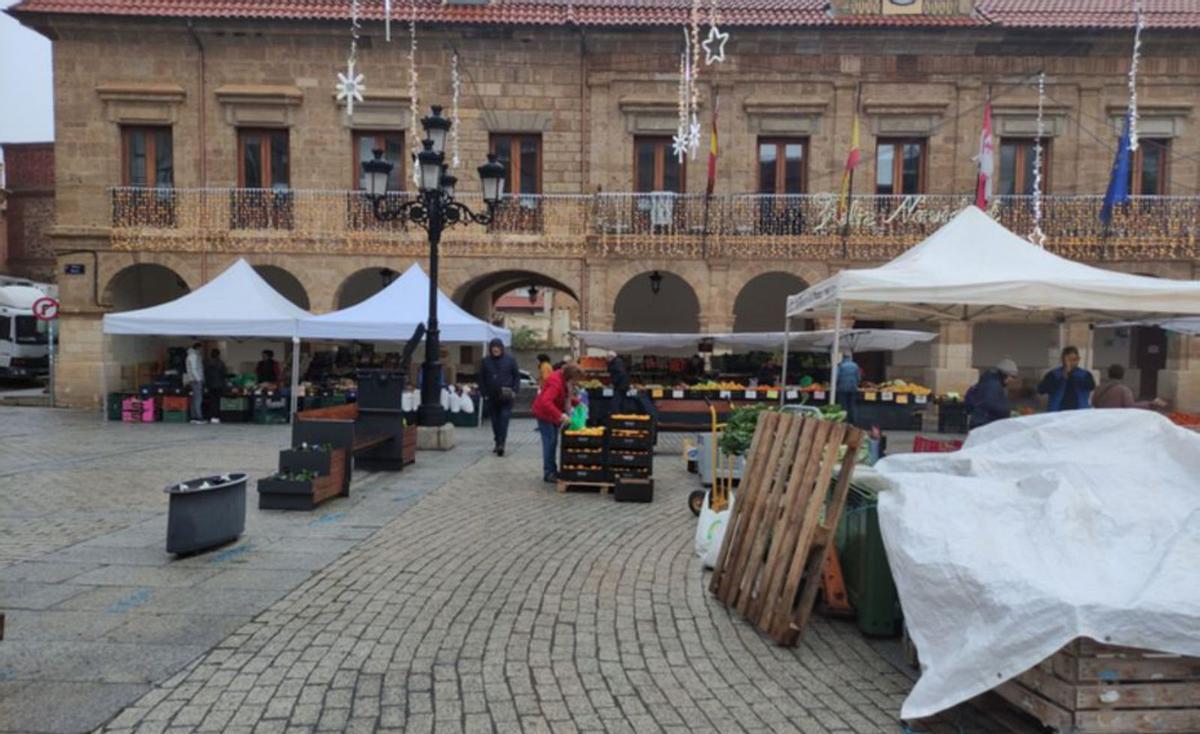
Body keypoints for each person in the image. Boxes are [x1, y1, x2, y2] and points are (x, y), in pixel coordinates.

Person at [532, 363, 583, 483]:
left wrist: (577, 403)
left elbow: (564, 396)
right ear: (570, 376)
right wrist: (560, 415)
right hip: (545, 414)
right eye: (575, 379)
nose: (576, 382)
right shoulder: (556, 382)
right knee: (550, 442)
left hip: (552, 414)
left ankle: (553, 470)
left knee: (553, 441)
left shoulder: (563, 380)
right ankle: (549, 473)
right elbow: (546, 401)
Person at [479, 338, 521, 456]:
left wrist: (515, 390)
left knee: (504, 420)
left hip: (506, 396)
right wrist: (484, 393)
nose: (495, 349)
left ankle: (501, 444)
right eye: (493, 347)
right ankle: (497, 441)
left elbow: (516, 376)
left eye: (497, 347)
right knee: (495, 422)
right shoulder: (485, 361)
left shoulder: (510, 360)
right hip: (492, 397)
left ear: (501, 348)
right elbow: (481, 378)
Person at [1037, 346, 1096, 412]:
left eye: (1074, 359)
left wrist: (1071, 374)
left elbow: (1091, 386)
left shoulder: (1084, 374)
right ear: (1063, 359)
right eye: (1068, 360)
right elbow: (1041, 390)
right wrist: (1062, 378)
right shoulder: (1053, 374)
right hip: (1057, 411)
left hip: (1079, 412)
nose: (1071, 362)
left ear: (1078, 359)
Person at [966, 358, 1019, 429]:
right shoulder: (993, 384)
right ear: (1005, 374)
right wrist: (1008, 411)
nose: (1013, 380)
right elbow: (991, 404)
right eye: (1013, 377)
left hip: (980, 421)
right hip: (984, 423)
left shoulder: (990, 380)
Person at [1092, 364, 1167, 410]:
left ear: (1108, 374)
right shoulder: (1123, 390)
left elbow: (1094, 403)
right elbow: (1130, 406)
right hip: (1116, 418)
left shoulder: (1099, 388)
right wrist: (1148, 404)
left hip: (1101, 417)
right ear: (1122, 375)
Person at [835, 353, 862, 425]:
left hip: (842, 388)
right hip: (853, 388)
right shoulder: (855, 365)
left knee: (843, 405)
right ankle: (853, 421)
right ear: (850, 358)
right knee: (852, 405)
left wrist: (836, 384)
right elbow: (859, 377)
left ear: (843, 358)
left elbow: (836, 377)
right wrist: (856, 384)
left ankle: (844, 420)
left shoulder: (840, 365)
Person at [204, 348, 228, 423]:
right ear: (218, 354)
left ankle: (211, 416)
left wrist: (206, 384)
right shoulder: (221, 363)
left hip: (210, 385)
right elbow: (224, 374)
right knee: (218, 401)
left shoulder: (207, 363)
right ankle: (217, 416)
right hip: (219, 385)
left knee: (212, 401)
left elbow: (206, 374)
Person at [185, 342, 205, 424]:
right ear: (198, 348)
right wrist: (199, 379)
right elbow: (194, 369)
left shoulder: (190, 355)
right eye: (201, 348)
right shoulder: (193, 356)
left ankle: (193, 417)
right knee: (198, 399)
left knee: (194, 399)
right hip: (196, 380)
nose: (202, 350)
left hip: (192, 380)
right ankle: (198, 417)